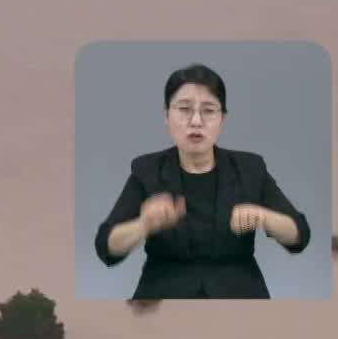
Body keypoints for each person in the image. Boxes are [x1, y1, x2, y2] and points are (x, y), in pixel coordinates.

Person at [94, 63, 311, 298]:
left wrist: (263, 216)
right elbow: (106, 245)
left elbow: (299, 234)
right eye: (184, 109)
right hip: (163, 295)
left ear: (223, 119)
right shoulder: (147, 170)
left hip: (240, 295)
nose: (196, 121)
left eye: (208, 110)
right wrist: (143, 225)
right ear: (166, 115)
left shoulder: (250, 168)